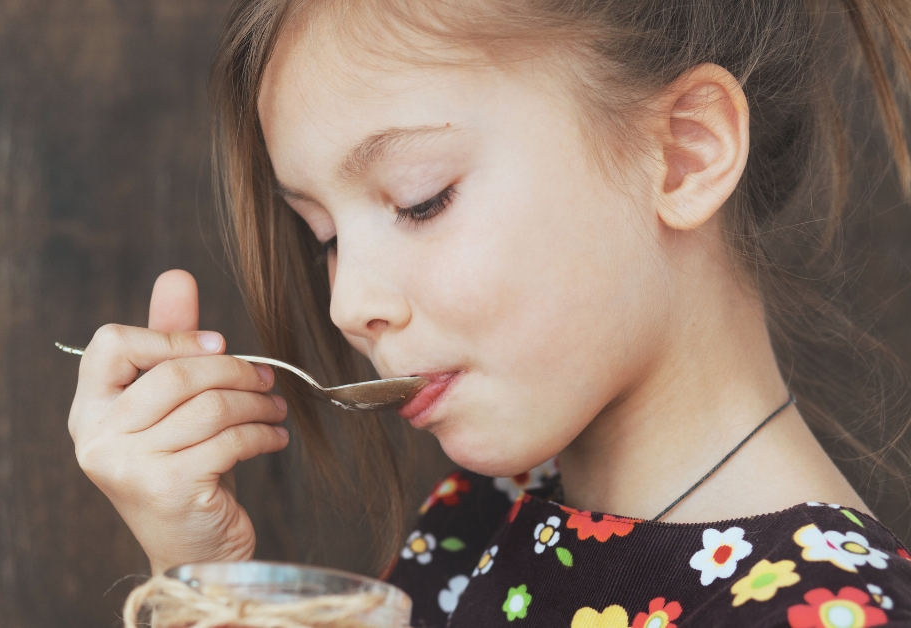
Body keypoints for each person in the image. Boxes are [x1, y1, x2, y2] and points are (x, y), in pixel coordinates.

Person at [65, 1, 911, 625]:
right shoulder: (478, 521)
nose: (348, 303)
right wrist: (205, 582)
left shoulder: (830, 614)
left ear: (685, 153)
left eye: (420, 200)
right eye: (322, 235)